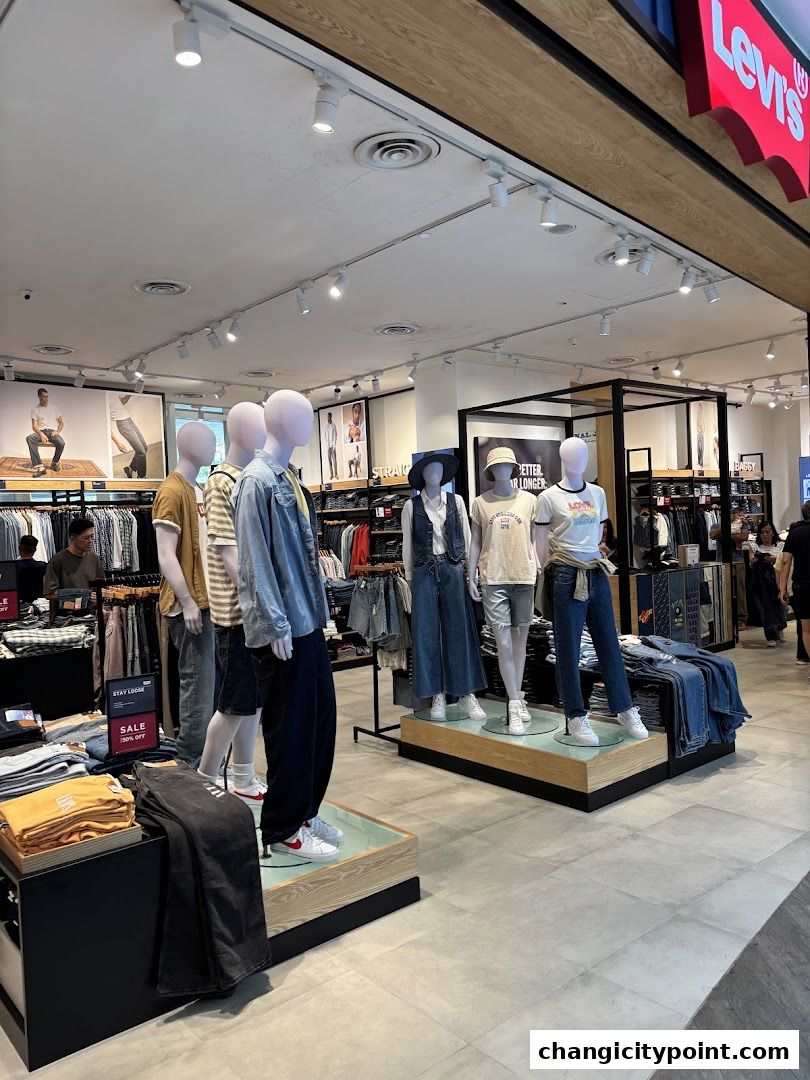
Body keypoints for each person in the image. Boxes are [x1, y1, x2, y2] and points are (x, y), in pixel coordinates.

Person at [780, 501, 810, 677]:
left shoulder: (795, 533)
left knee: (806, 628)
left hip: (803, 585)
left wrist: (782, 588)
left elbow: (785, 561)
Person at [747, 521, 786, 647]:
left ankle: (780, 627)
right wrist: (754, 561)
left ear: (773, 532)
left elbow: (785, 562)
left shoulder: (781, 545)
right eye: (762, 532)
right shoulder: (754, 546)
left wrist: (774, 559)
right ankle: (770, 635)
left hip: (776, 579)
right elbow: (751, 564)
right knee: (765, 608)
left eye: (768, 531)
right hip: (760, 581)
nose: (765, 535)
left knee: (779, 606)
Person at [42, 517, 104, 595]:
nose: (90, 541)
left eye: (92, 537)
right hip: (66, 607)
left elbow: (101, 586)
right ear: (73, 538)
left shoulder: (95, 559)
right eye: (86, 538)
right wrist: (79, 595)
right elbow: (49, 593)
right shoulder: (58, 560)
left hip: (91, 607)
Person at [710, 509, 748, 630]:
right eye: (734, 514)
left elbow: (744, 536)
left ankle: (741, 619)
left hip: (738, 561)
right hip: (721, 561)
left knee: (740, 592)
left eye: (738, 514)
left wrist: (727, 535)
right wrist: (725, 527)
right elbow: (712, 535)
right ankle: (725, 618)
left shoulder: (743, 525)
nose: (737, 517)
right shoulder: (717, 525)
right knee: (723, 591)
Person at [27, 387, 65, 477]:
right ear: (39, 397)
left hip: (52, 432)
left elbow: (61, 423)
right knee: (29, 438)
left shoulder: (54, 408)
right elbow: (34, 426)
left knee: (61, 443)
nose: (46, 399)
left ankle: (54, 463)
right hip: (41, 431)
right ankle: (40, 468)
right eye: (44, 397)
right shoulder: (35, 409)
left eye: (47, 397)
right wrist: (41, 434)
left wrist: (58, 431)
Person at [109, 394, 148, 478]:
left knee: (145, 448)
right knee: (141, 452)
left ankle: (130, 468)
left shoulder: (110, 394)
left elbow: (120, 403)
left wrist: (129, 394)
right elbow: (105, 424)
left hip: (129, 419)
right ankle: (142, 477)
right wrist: (117, 443)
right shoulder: (102, 399)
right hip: (123, 424)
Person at [16, 535, 46, 606]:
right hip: (39, 605)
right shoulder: (42, 566)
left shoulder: (11, 567)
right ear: (35, 550)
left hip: (18, 606)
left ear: (19, 548)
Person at [325, 411, 338, 479]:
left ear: (331, 417)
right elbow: (325, 436)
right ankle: (331, 474)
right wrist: (327, 445)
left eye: (329, 416)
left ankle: (336, 474)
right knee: (329, 461)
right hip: (328, 447)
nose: (328, 418)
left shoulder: (334, 425)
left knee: (334, 461)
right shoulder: (326, 426)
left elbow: (335, 435)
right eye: (327, 417)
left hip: (332, 447)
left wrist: (334, 445)